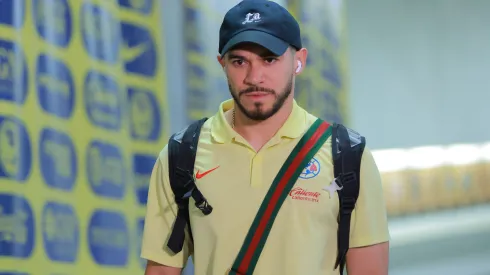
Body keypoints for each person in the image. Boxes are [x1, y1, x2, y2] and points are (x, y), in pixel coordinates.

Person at [141, 0, 390, 274]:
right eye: (239, 61)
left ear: (299, 61)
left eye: (269, 59)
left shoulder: (348, 157)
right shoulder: (181, 156)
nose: (254, 76)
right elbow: (163, 269)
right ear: (222, 64)